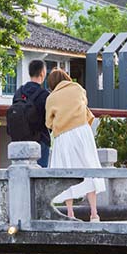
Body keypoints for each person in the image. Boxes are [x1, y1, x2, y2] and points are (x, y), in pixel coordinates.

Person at [45, 68, 105, 222]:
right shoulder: (78, 89)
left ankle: (70, 213)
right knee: (89, 167)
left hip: (63, 135)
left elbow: (48, 122)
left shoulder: (51, 98)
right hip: (82, 132)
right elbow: (84, 104)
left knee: (66, 171)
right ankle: (94, 213)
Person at [9, 59, 52, 167]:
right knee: (40, 174)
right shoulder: (44, 95)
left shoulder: (19, 92)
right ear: (42, 73)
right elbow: (49, 121)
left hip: (19, 142)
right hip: (40, 141)